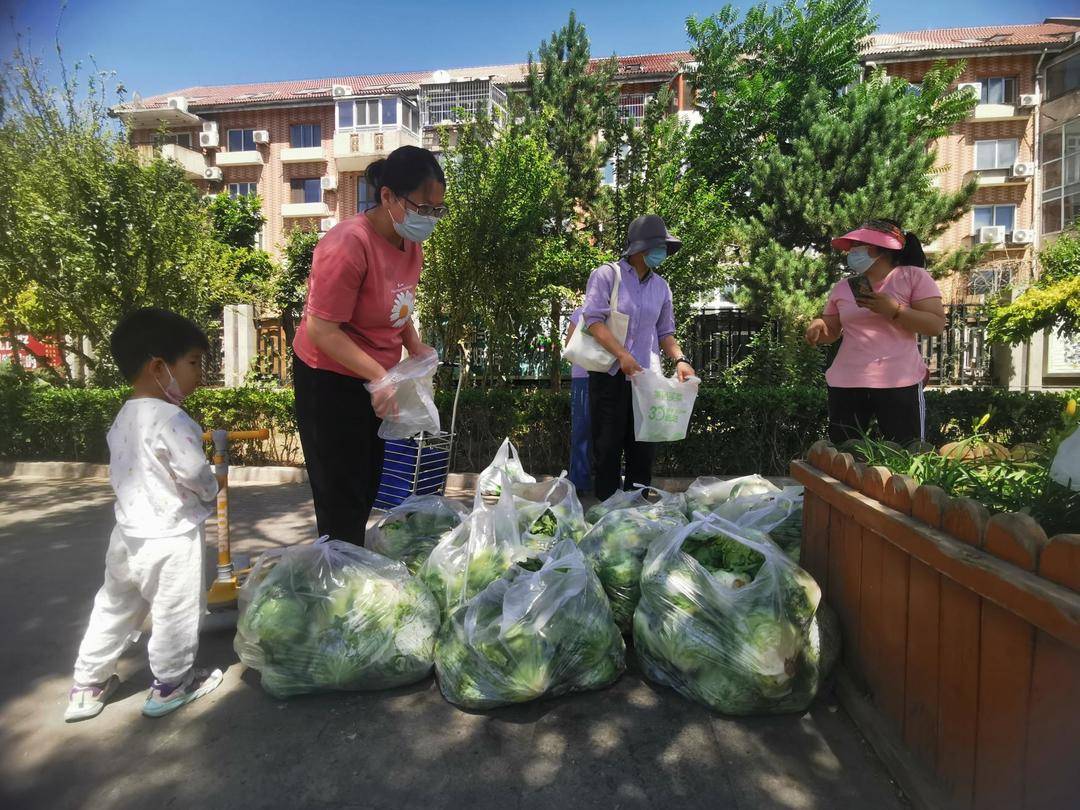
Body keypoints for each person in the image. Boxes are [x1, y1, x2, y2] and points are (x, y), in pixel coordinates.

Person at [66, 308, 223, 722]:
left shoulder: (123, 417)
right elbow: (192, 472)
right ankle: (172, 684)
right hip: (172, 537)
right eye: (192, 363)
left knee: (114, 606)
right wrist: (212, 487)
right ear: (159, 367)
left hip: (128, 536)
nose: (199, 375)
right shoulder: (173, 418)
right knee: (175, 611)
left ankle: (88, 683)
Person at [292, 145, 445, 543]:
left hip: (375, 379)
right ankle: (337, 585)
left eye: (436, 211)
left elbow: (399, 306)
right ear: (388, 196)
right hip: (327, 378)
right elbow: (320, 330)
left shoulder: (411, 246)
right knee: (341, 497)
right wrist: (379, 375)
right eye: (422, 207)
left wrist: (414, 347)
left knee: (367, 485)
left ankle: (351, 569)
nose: (428, 219)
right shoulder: (348, 244)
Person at [582, 214, 696, 501]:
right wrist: (622, 355)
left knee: (643, 450)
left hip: (646, 381)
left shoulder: (662, 287)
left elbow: (665, 332)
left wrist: (680, 359)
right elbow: (593, 321)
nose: (662, 254)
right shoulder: (607, 275)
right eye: (659, 247)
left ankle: (638, 515)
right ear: (641, 248)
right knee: (607, 449)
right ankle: (606, 515)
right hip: (609, 377)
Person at [805, 219, 945, 446]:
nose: (851, 252)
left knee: (906, 454)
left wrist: (894, 311)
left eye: (857, 246)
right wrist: (819, 327)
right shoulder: (844, 287)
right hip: (846, 382)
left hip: (899, 382)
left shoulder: (913, 277)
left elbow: (935, 325)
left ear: (881, 248)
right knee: (844, 457)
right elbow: (832, 329)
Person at [564, 307, 592, 494]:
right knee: (590, 430)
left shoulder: (581, 312)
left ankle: (581, 481)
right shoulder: (581, 313)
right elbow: (569, 345)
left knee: (583, 430)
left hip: (587, 375)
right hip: (596, 376)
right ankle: (582, 480)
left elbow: (569, 345)